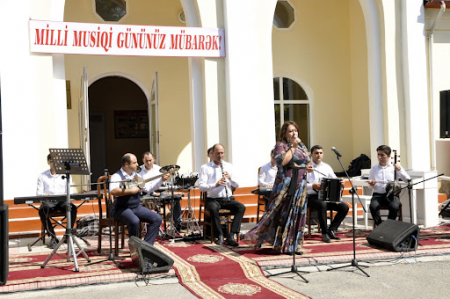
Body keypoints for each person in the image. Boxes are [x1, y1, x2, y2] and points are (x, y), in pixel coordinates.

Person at [241, 121, 310, 255]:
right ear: (284, 133)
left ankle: (295, 245)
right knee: (283, 214)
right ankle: (281, 245)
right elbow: (282, 162)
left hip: (300, 185)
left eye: (295, 130)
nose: (294, 133)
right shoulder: (281, 146)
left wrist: (308, 168)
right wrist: (293, 148)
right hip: (285, 185)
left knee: (298, 215)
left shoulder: (302, 146)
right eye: (290, 131)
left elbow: (306, 161)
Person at [110, 153, 169, 245]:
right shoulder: (116, 176)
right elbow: (113, 191)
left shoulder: (136, 176)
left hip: (136, 207)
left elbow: (148, 189)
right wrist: (130, 191)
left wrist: (161, 180)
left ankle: (146, 246)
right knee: (134, 221)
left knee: (157, 218)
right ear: (126, 164)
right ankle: (134, 248)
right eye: (134, 163)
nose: (137, 164)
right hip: (122, 208)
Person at [197, 144, 245, 246]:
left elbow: (237, 184)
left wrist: (230, 178)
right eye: (218, 153)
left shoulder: (229, 166)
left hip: (227, 198)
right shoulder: (205, 168)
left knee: (241, 207)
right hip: (213, 199)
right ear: (212, 153)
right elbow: (201, 186)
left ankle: (231, 235)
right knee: (213, 209)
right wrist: (215, 185)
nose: (220, 155)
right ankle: (220, 235)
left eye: (222, 153)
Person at [306, 145, 349, 243]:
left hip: (326, 196)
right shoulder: (307, 167)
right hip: (312, 197)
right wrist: (312, 185)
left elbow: (334, 180)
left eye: (321, 153)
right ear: (311, 154)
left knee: (344, 207)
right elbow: (300, 185)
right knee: (322, 204)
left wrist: (341, 183)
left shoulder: (327, 167)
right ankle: (324, 233)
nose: (319, 155)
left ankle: (331, 230)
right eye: (316, 153)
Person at [37, 154, 77, 249]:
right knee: (42, 210)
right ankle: (53, 237)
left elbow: (69, 191)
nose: (54, 164)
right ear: (48, 162)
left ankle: (68, 234)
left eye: (56, 161)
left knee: (73, 208)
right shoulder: (42, 175)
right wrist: (45, 195)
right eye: (51, 161)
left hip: (62, 200)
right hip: (49, 201)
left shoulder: (65, 175)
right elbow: (39, 193)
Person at [139, 151, 183, 230]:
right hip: (146, 194)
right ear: (143, 160)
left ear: (153, 159)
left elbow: (164, 183)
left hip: (159, 192)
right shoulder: (139, 171)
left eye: (150, 160)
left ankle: (178, 223)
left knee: (175, 198)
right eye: (146, 161)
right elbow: (145, 188)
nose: (149, 163)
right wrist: (153, 193)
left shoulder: (158, 169)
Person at [368, 145, 410, 227]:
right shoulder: (374, 169)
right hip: (378, 195)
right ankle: (380, 226)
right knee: (373, 207)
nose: (380, 157)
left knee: (394, 207)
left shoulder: (394, 167)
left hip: (392, 194)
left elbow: (407, 180)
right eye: (378, 155)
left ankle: (388, 226)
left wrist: (400, 170)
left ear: (389, 156)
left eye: (382, 155)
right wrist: (371, 184)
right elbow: (370, 187)